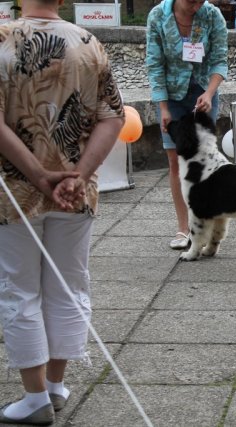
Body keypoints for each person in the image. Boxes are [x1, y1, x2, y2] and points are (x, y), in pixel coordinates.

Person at [0, 0, 125, 422]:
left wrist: (38, 176)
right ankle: (55, 385)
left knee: (20, 289)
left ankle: (35, 397)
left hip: (15, 192)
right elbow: (114, 117)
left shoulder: (2, 39)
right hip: (77, 191)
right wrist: (78, 174)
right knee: (68, 286)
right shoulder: (89, 42)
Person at [146, 0, 228, 249]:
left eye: (200, 1)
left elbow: (219, 59)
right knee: (175, 162)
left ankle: (208, 227)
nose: (196, 6)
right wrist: (162, 107)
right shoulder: (158, 16)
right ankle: (184, 229)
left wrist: (210, 93)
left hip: (204, 93)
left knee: (205, 163)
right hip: (171, 97)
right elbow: (154, 64)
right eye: (191, 1)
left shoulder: (212, 15)